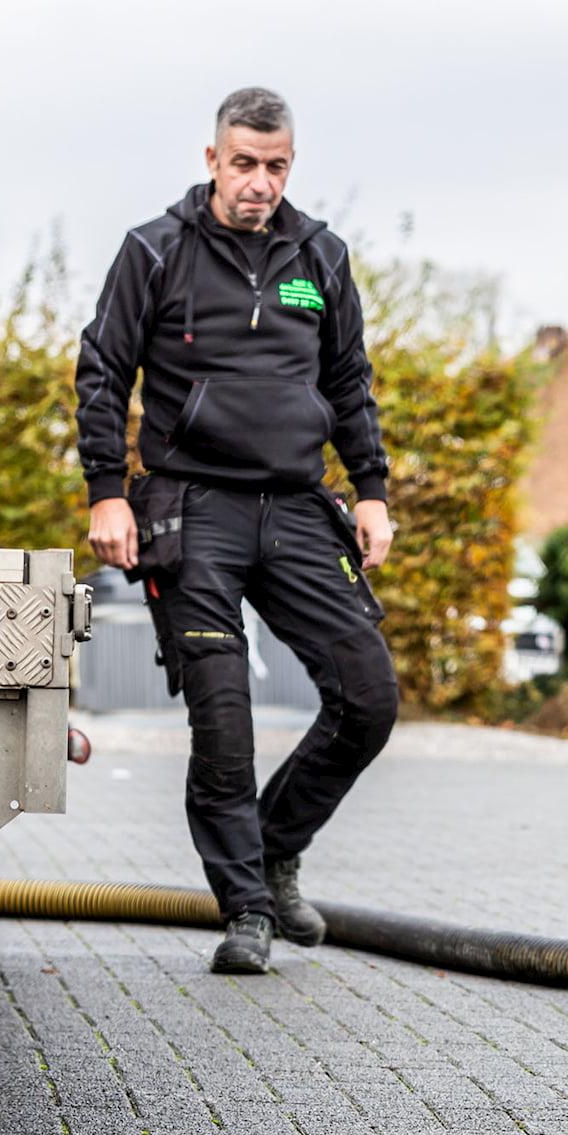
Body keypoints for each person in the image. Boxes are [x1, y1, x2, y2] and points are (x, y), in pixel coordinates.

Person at [75, 87, 398, 976]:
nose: (261, 182)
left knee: (368, 698)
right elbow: (103, 368)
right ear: (213, 159)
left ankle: (274, 848)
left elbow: (347, 378)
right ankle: (247, 909)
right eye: (245, 163)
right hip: (191, 508)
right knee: (224, 722)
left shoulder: (319, 256)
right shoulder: (154, 250)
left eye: (277, 165)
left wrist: (369, 489)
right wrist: (108, 492)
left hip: (297, 505)